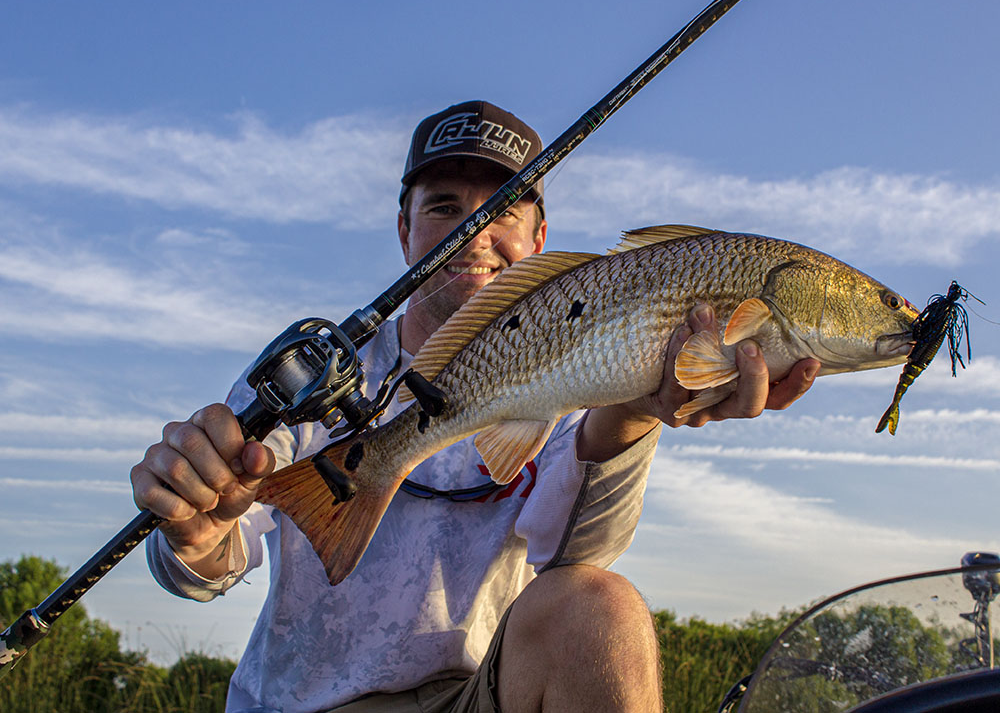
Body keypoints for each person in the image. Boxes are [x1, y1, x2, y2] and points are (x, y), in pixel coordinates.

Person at [132, 101, 820, 713]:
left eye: (503, 210)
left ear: (539, 241)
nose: (474, 233)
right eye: (443, 207)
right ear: (404, 229)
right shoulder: (318, 371)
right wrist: (193, 533)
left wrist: (636, 411)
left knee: (599, 607)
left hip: (483, 691)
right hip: (303, 699)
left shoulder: (592, 362)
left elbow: (575, 558)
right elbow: (210, 558)